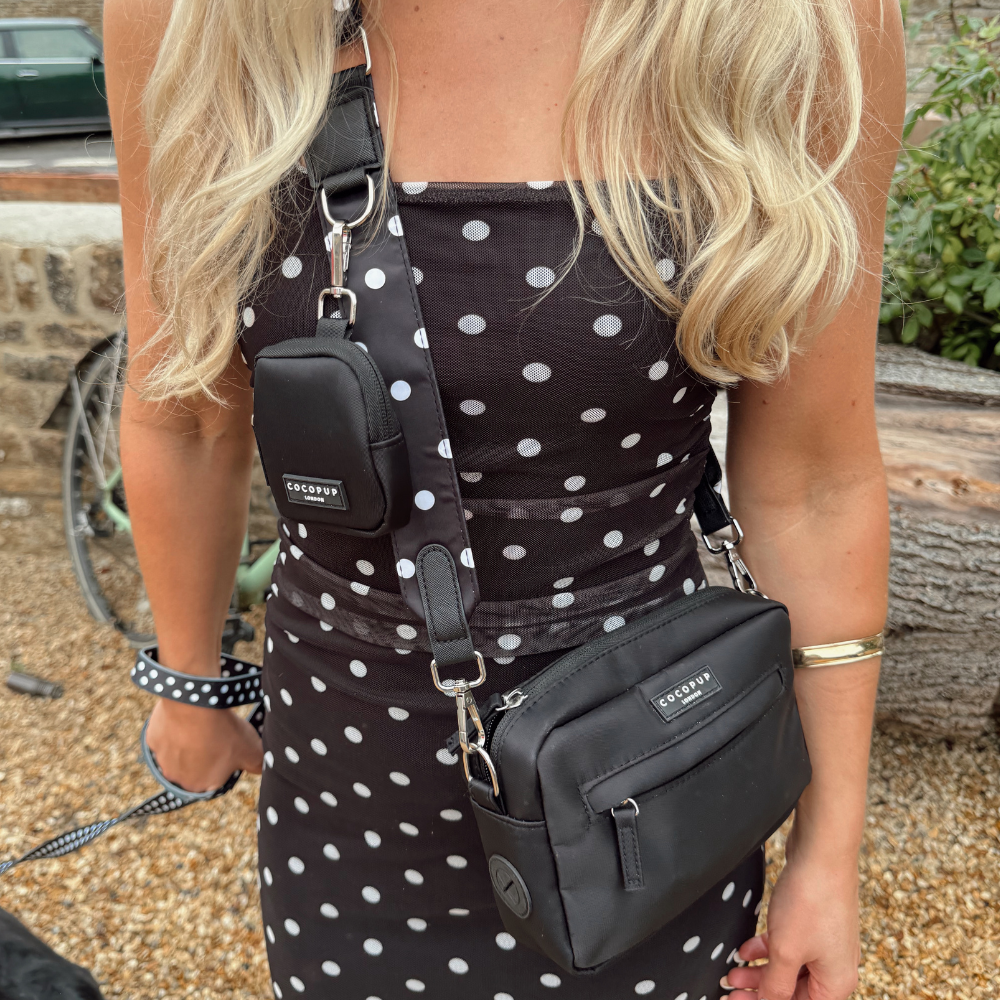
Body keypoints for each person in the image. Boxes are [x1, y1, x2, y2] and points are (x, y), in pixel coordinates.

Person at [103, 0, 905, 997]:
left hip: (645, 787)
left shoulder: (802, 20)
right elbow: (184, 408)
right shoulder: (196, 14)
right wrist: (187, 678)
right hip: (349, 783)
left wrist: (827, 854)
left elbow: (814, 484)